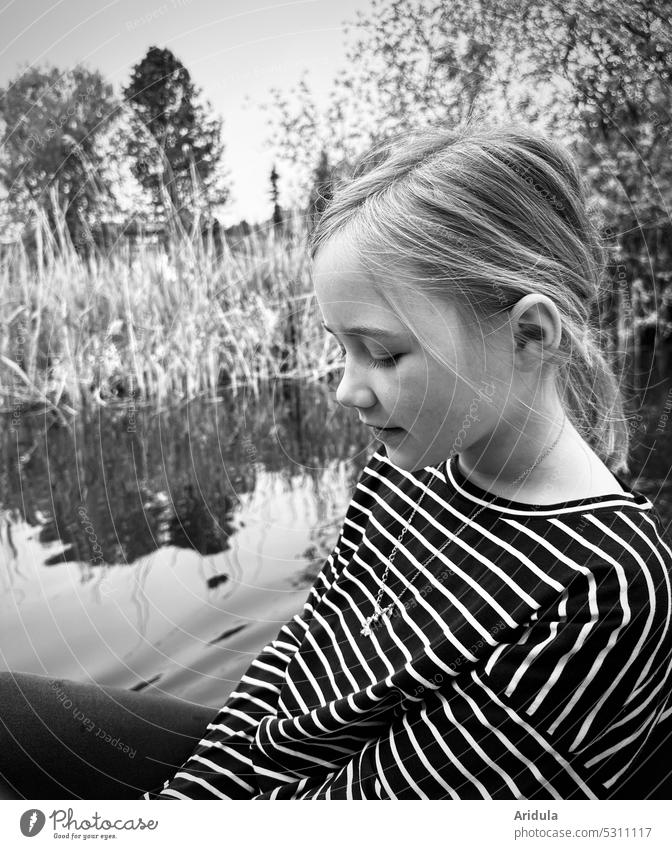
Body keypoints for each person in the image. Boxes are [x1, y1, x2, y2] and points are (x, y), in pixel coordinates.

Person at [2, 124, 671, 800]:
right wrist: (199, 788)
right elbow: (305, 650)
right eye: (339, 346)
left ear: (528, 334)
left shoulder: (600, 590)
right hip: (260, 769)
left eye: (381, 353)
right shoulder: (412, 458)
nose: (347, 390)